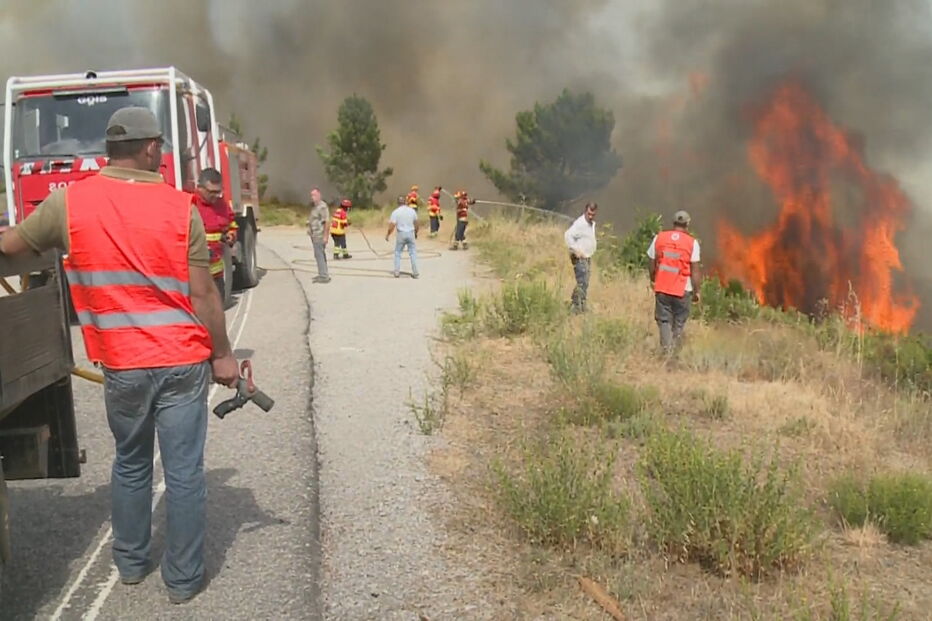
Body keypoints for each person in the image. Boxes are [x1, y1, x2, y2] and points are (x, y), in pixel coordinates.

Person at [0, 107, 238, 605]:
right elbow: (205, 296)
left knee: (131, 463)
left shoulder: (68, 204)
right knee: (185, 471)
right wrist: (223, 356)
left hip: (123, 363)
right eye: (160, 147)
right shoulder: (181, 207)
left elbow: (14, 245)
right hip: (180, 362)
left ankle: (130, 564)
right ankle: (184, 579)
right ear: (150, 148)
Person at [647, 210, 701, 354]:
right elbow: (695, 270)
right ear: (687, 224)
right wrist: (697, 292)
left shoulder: (659, 238)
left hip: (662, 287)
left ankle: (666, 351)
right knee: (679, 322)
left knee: (664, 321)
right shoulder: (692, 243)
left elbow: (651, 262)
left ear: (673, 223)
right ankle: (673, 354)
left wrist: (653, 278)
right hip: (682, 290)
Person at [192, 168, 238, 298]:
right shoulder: (190, 204)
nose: (215, 196)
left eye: (218, 192)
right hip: (197, 275)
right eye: (211, 192)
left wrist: (231, 235)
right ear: (199, 188)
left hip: (217, 274)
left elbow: (232, 224)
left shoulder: (221, 205)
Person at [564, 202, 598, 313]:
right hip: (579, 258)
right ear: (585, 211)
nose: (590, 216)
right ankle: (575, 305)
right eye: (589, 214)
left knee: (586, 281)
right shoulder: (580, 223)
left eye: (593, 214)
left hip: (587, 257)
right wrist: (575, 250)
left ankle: (581, 304)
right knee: (582, 281)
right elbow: (568, 235)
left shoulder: (591, 223)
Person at [386, 194, 420, 278]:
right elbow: (416, 223)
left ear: (398, 203)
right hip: (410, 233)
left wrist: (388, 234)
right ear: (405, 202)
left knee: (398, 253)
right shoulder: (412, 211)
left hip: (401, 233)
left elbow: (392, 225)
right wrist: (416, 232)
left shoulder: (395, 212)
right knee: (412, 253)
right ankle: (415, 273)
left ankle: (397, 272)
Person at [307, 187, 331, 283]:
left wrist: (325, 236)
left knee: (319, 255)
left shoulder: (322, 207)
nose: (313, 197)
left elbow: (327, 222)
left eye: (315, 195)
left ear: (319, 195)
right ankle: (322, 273)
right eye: (312, 195)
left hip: (320, 235)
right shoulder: (315, 207)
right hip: (314, 235)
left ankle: (324, 276)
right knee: (318, 255)